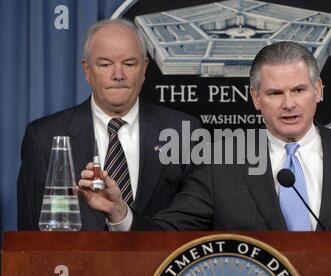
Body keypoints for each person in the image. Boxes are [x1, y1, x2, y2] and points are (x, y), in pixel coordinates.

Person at [78, 41, 331, 231]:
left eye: (299, 89)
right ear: (256, 99)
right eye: (274, 93)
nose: (288, 104)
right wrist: (121, 213)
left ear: (318, 90)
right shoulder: (218, 162)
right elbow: (168, 236)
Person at [17, 19, 199, 231]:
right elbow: (29, 237)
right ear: (87, 70)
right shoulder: (44, 137)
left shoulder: (185, 131)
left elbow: (192, 226)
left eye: (129, 64)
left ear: (144, 68)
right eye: (105, 64)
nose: (118, 75)